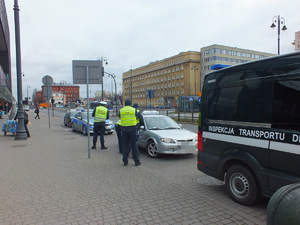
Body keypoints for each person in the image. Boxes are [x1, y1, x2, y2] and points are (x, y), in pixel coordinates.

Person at [119, 99, 141, 166]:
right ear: (131, 104)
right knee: (134, 145)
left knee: (125, 145)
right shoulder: (134, 110)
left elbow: (120, 117)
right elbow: (138, 118)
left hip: (124, 130)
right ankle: (136, 161)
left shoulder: (121, 110)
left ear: (125, 104)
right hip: (133, 129)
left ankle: (125, 161)